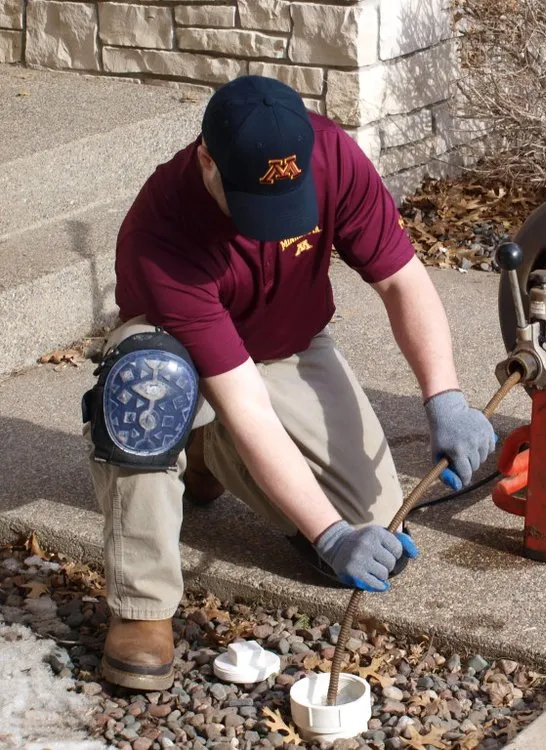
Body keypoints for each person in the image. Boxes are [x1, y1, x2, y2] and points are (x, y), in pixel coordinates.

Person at [81, 75, 496, 691]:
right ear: (207, 160)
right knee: (149, 386)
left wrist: (446, 398)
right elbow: (246, 403)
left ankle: (207, 449)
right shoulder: (163, 231)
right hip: (180, 359)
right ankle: (143, 607)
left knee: (380, 531)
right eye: (254, 202)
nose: (272, 226)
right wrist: (329, 536)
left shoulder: (333, 156)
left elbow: (401, 281)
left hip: (286, 349)